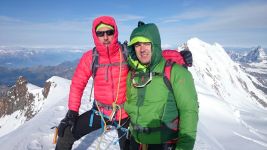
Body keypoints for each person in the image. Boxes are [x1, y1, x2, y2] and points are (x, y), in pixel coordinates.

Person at [55, 16, 193, 150]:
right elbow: (77, 84)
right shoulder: (90, 58)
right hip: (100, 113)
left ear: (115, 33)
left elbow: (153, 54)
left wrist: (179, 56)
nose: (105, 37)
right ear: (95, 35)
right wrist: (72, 112)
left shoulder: (126, 53)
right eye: (100, 33)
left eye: (109, 32)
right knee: (66, 133)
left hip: (124, 114)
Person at [124, 22, 199, 150]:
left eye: (147, 43)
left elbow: (189, 112)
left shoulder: (176, 72)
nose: (142, 49)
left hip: (164, 145)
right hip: (135, 143)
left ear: (155, 45)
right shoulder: (132, 74)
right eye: (137, 45)